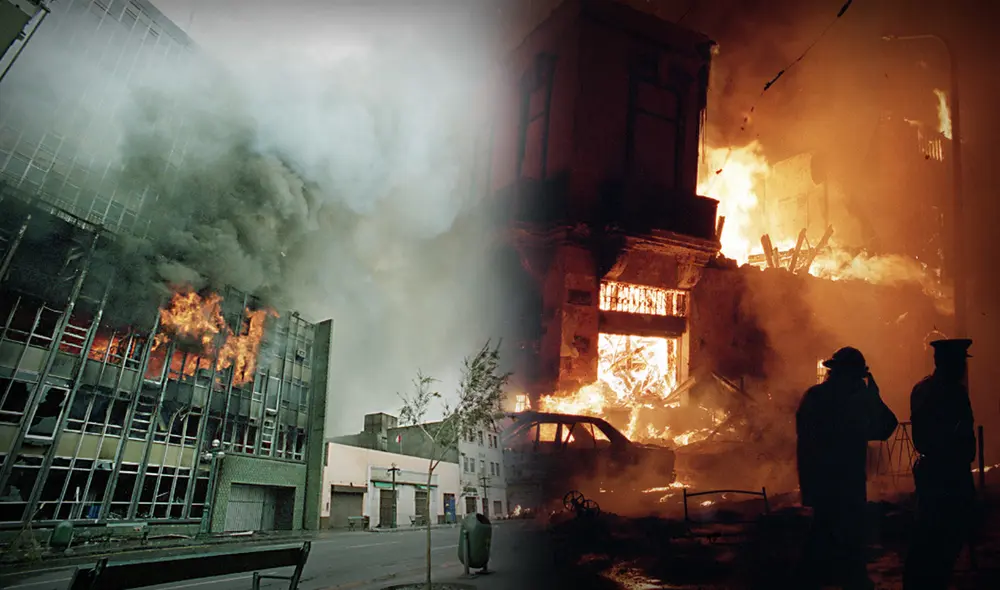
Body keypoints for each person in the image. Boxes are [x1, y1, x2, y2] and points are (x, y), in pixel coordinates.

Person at [795, 346, 899, 590]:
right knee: (846, 538)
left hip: (825, 483)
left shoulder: (815, 396)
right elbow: (885, 427)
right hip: (846, 483)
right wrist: (873, 396)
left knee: (824, 535)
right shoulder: (853, 401)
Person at [903, 338, 977, 590]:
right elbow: (959, 437)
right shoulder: (952, 393)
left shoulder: (923, 388)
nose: (962, 368)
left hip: (934, 471)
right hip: (948, 473)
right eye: (959, 362)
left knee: (929, 533)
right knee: (943, 536)